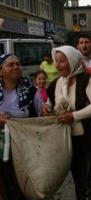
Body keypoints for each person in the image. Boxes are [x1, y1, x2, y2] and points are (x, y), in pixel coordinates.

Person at [43, 45, 91, 199]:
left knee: (90, 177)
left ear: (72, 60)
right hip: (68, 140)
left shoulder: (89, 80)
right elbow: (51, 102)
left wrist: (73, 116)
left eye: (62, 61)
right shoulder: (57, 83)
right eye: (56, 61)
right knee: (78, 177)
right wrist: (46, 107)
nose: (58, 64)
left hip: (89, 137)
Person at [0, 54, 42, 199]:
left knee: (26, 187)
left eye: (18, 64)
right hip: (2, 149)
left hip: (26, 150)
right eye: (10, 65)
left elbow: (40, 118)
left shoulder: (31, 91)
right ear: (1, 71)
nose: (16, 67)